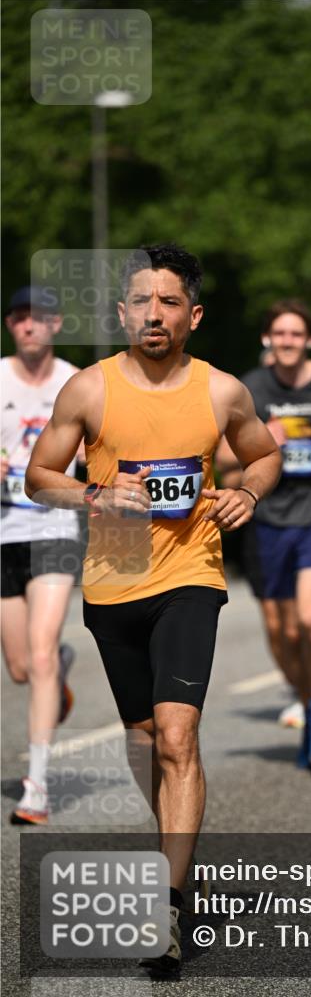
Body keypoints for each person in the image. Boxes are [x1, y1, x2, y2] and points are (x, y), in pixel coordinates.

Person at [25, 244, 282, 974]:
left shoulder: (221, 392)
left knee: (176, 736)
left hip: (190, 574)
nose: (154, 314)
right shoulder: (88, 390)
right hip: (112, 581)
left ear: (192, 316)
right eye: (141, 301)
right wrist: (96, 494)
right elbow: (42, 476)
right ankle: (180, 861)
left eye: (169, 302)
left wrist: (247, 490)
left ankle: (165, 908)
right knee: (143, 737)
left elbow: (264, 454)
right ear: (121, 313)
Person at [216, 300, 311, 768]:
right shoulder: (248, 388)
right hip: (268, 519)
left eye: (297, 334)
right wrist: (261, 443)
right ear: (267, 340)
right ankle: (308, 696)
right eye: (280, 334)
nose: (288, 341)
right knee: (281, 630)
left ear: (310, 340)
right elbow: (222, 460)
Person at [1, 286, 80, 826]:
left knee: (43, 653)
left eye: (39, 318)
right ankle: (57, 671)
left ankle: (37, 785)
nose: (29, 327)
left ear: (55, 325)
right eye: (20, 319)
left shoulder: (74, 382)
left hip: (54, 525)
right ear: (11, 327)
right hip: (5, 530)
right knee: (23, 666)